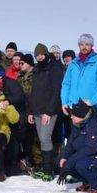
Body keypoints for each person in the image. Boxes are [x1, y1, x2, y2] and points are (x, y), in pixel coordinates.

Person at [56, 100, 97, 193]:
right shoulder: (77, 125)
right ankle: (87, 181)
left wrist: (69, 163)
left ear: (82, 116)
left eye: (74, 115)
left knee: (81, 164)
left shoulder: (94, 126)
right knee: (61, 161)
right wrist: (64, 157)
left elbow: (89, 149)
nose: (71, 117)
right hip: (88, 156)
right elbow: (70, 144)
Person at [27, 44, 64, 177]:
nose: (39, 57)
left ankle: (48, 170)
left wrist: (49, 112)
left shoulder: (54, 69)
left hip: (49, 110)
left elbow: (57, 92)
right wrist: (31, 111)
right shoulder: (37, 69)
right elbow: (34, 92)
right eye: (37, 55)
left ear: (46, 54)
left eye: (41, 54)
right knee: (42, 139)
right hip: (37, 109)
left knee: (45, 137)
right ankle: (46, 167)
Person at [61, 33, 97, 119]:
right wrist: (64, 102)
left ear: (92, 45)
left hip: (92, 108)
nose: (84, 47)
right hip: (73, 108)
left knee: (92, 132)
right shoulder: (73, 64)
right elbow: (66, 85)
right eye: (81, 44)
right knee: (74, 132)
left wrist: (92, 101)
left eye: (87, 44)